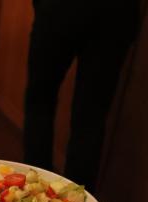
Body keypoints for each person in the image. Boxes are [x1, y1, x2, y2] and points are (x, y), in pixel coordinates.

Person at [23, 0, 139, 190]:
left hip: (61, 9)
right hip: (117, 13)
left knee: (40, 101)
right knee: (91, 119)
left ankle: (35, 192)